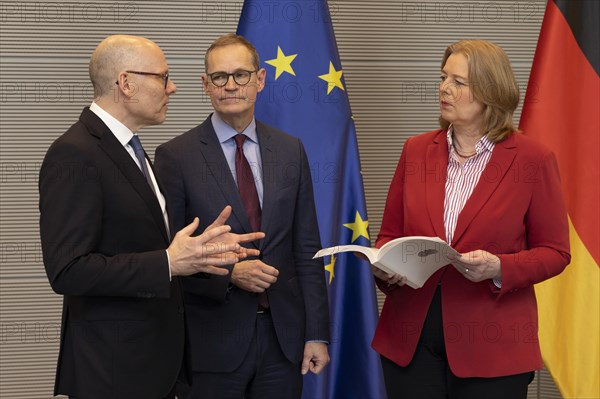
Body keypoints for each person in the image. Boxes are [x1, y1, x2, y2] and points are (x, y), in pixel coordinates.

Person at [39, 35, 264, 399]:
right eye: (163, 77)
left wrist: (201, 254)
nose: (172, 88)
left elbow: (148, 244)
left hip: (153, 369)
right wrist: (168, 262)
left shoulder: (132, 149)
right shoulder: (75, 154)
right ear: (126, 83)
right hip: (112, 373)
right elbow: (68, 270)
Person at [371, 39, 570, 399]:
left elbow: (556, 252)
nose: (443, 88)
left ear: (491, 92)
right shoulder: (415, 150)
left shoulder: (532, 159)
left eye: (458, 82)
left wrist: (499, 268)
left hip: (493, 345)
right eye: (443, 77)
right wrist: (386, 263)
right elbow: (388, 235)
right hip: (411, 339)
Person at [154, 33, 330, 399]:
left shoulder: (290, 150)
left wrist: (315, 333)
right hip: (211, 345)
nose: (231, 85)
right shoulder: (176, 156)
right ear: (205, 85)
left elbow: (307, 247)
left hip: (283, 342)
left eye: (241, 75)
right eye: (219, 77)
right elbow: (169, 257)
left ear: (261, 79)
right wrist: (231, 274)